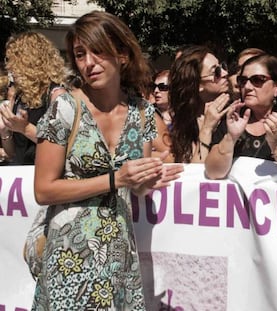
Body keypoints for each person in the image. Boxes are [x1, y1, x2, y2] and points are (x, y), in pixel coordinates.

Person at [32, 11, 183, 310]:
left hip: (118, 256)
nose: (88, 63)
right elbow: (43, 190)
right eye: (80, 54)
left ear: (123, 55)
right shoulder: (64, 108)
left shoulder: (143, 113)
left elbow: (135, 187)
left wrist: (147, 181)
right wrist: (117, 179)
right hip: (69, 258)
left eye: (98, 51)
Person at [205, 54, 277, 183]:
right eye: (243, 80)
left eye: (257, 80)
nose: (248, 87)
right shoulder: (233, 118)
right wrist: (230, 138)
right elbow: (213, 172)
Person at [0, 32, 68, 165]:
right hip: (23, 179)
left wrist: (24, 128)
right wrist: (4, 132)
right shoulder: (18, 97)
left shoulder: (56, 95)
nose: (9, 67)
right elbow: (13, 153)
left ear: (30, 62)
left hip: (45, 177)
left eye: (13, 61)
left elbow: (61, 145)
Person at [169, 45, 230, 163]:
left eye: (222, 66)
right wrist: (207, 128)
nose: (225, 73)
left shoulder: (237, 112)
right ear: (198, 85)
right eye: (216, 72)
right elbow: (195, 171)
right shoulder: (186, 122)